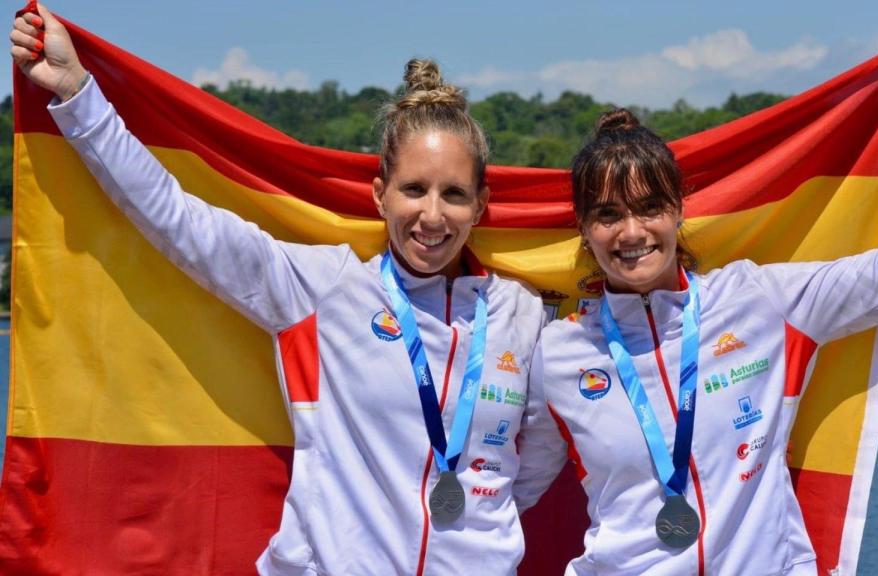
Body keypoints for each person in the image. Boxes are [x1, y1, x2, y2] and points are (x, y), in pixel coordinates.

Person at [10, 4, 545, 575]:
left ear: (480, 205)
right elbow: (175, 218)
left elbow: (539, 454)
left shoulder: (522, 313)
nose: (432, 216)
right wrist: (77, 93)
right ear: (380, 195)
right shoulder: (325, 288)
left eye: (454, 194)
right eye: (414, 189)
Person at [513, 30, 878, 575]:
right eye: (608, 214)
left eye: (650, 207)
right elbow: (507, 491)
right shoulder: (559, 353)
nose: (631, 232)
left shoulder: (762, 303)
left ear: (678, 210)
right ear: (584, 228)